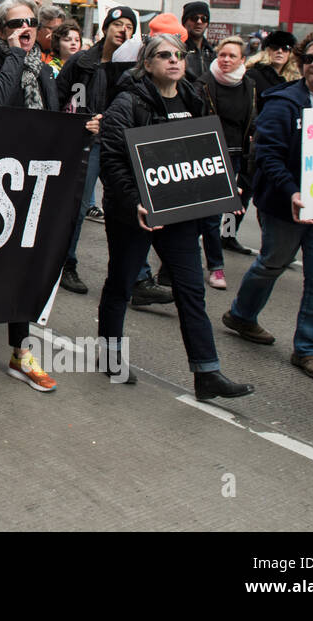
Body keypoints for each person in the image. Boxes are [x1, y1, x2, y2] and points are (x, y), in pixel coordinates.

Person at [97, 33, 254, 399]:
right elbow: (112, 159)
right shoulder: (128, 102)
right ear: (147, 64)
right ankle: (109, 357)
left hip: (180, 212)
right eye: (163, 55)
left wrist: (224, 189)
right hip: (136, 212)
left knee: (191, 290)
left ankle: (207, 372)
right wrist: (135, 200)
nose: (173, 60)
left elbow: (205, 151)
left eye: (179, 55)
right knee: (121, 284)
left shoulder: (194, 97)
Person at [221, 34, 313, 382]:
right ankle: (241, 315)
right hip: (286, 205)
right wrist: (293, 192)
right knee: (272, 263)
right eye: (309, 58)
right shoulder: (284, 102)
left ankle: (308, 350)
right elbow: (267, 155)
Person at [0, 0, 68, 391]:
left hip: (31, 182)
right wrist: (13, 57)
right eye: (14, 24)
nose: (25, 28)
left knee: (23, 263)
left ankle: (20, 353)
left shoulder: (45, 70)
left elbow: (52, 119)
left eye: (30, 22)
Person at [54, 4, 153, 299]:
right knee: (80, 205)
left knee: (132, 205)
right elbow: (58, 98)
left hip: (121, 145)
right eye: (118, 24)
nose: (124, 31)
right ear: (106, 28)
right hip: (88, 143)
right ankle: (65, 263)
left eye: (130, 27)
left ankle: (139, 276)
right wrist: (79, 124)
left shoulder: (136, 69)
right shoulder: (82, 61)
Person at [196, 35, 255, 291]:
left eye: (232, 56)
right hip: (209, 153)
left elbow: (252, 121)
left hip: (236, 155)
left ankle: (221, 246)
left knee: (225, 210)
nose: (226, 60)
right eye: (222, 55)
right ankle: (216, 267)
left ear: (242, 60)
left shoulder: (249, 86)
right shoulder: (204, 83)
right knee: (209, 214)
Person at [246, 29, 298, 103]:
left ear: (290, 53)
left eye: (285, 48)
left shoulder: (294, 79)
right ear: (267, 51)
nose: (280, 51)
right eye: (275, 47)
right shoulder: (253, 75)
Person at [181, 1, 215, 82]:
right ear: (185, 22)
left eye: (204, 19)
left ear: (207, 24)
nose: (199, 22)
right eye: (194, 18)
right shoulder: (178, 50)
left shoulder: (212, 52)